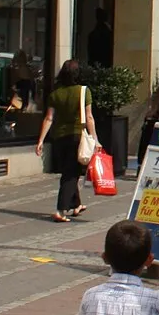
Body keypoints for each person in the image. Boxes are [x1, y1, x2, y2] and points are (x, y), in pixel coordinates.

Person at [36, 61, 97, 223]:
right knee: (71, 174)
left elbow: (49, 118)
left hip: (59, 137)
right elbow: (89, 117)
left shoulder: (56, 94)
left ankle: (76, 204)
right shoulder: (84, 91)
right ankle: (60, 210)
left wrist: (41, 140)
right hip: (78, 137)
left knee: (69, 170)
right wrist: (95, 139)